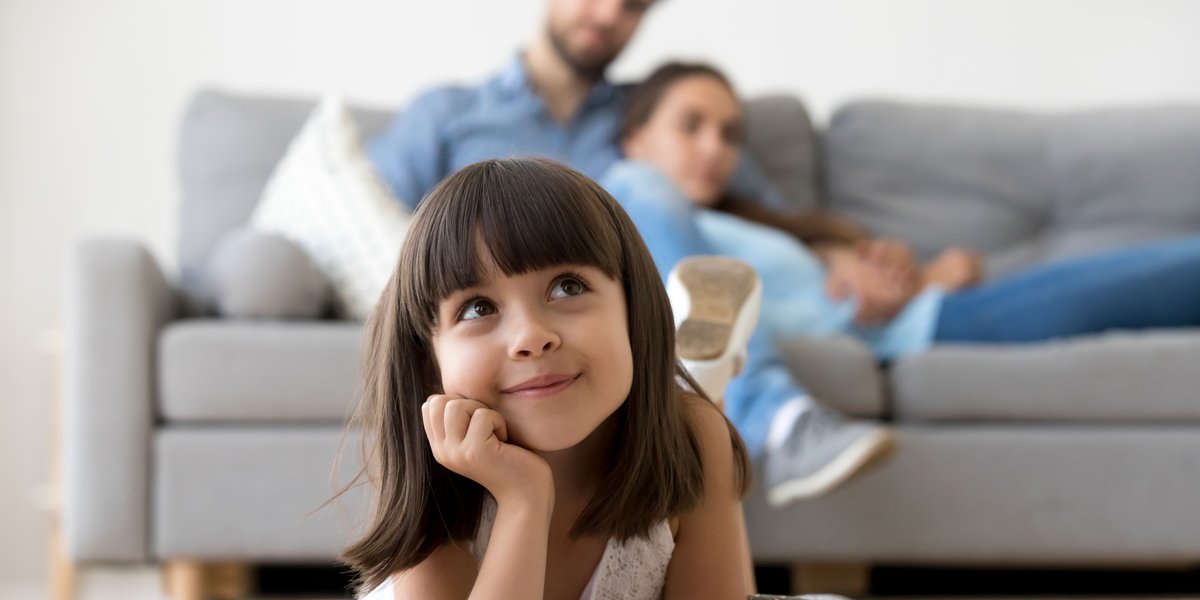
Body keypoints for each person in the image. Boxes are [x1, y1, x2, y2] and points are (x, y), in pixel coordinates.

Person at [369, 0, 897, 507]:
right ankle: (768, 413)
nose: (607, 15)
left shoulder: (654, 115)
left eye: (633, 5)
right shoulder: (447, 112)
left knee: (638, 183)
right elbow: (369, 219)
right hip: (500, 315)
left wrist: (835, 252)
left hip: (619, 301)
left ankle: (737, 393)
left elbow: (759, 212)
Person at [341, 158, 754, 599]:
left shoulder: (693, 438)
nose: (531, 338)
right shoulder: (438, 492)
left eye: (568, 287)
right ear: (429, 362)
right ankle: (701, 364)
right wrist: (524, 501)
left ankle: (696, 368)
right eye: (479, 308)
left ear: (635, 309)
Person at [606, 60, 1200, 362]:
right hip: (930, 331)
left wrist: (904, 273)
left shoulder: (749, 223)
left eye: (730, 134)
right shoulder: (640, 212)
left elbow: (897, 280)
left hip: (943, 309)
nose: (716, 148)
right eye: (692, 126)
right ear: (636, 136)